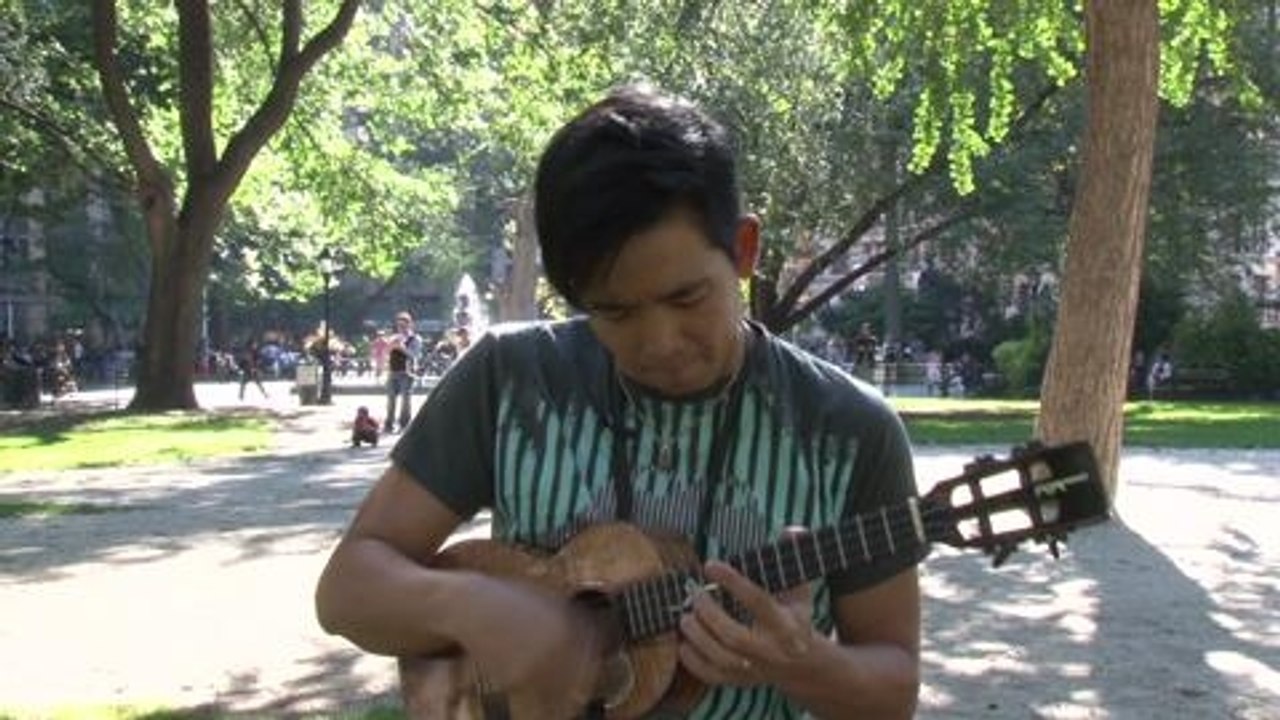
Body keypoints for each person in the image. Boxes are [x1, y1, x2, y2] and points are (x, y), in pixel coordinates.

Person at [315, 85, 923, 719]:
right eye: (614, 311)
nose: (660, 343)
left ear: (744, 249)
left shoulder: (851, 430)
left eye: (687, 298)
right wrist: (477, 608)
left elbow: (893, 695)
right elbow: (347, 589)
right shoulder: (509, 379)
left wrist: (808, 666)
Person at [384, 311, 421, 433]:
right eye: (399, 325)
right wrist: (390, 346)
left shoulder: (415, 339)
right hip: (393, 371)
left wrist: (402, 348)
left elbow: (415, 355)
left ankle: (404, 424)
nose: (401, 328)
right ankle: (389, 424)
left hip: (407, 373)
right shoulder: (394, 337)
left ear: (409, 325)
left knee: (406, 400)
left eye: (404, 325)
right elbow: (386, 353)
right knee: (391, 400)